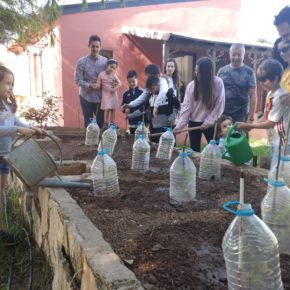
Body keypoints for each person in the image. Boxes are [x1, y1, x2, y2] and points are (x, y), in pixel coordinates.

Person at [0, 65, 44, 244]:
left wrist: (32, 128)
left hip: (5, 155)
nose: (10, 87)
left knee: (1, 193)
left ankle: (1, 229)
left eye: (12, 84)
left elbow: (16, 121)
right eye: (7, 83)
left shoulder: (7, 106)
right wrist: (17, 129)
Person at [236, 59, 290, 168]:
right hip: (274, 140)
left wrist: (249, 125)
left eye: (264, 80)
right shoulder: (270, 93)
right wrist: (251, 126)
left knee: (279, 173)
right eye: (260, 80)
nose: (261, 83)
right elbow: (266, 116)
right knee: (276, 171)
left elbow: (270, 123)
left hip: (284, 143)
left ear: (275, 78)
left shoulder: (280, 96)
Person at [174, 57, 225, 152]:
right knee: (194, 151)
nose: (196, 74)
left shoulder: (218, 83)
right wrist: (179, 126)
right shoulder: (191, 86)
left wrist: (209, 121)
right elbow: (186, 107)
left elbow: (219, 105)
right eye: (195, 71)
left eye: (199, 72)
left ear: (207, 73)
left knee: (216, 149)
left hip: (211, 123)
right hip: (194, 123)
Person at [217, 43, 257, 123]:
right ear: (229, 54)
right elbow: (217, 93)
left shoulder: (249, 72)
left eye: (239, 55)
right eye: (234, 54)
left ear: (243, 55)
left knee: (239, 135)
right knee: (223, 135)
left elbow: (253, 95)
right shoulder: (221, 71)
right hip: (223, 114)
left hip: (241, 115)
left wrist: (251, 117)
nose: (236, 57)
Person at [75, 35, 107, 128]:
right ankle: (89, 143)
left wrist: (100, 85)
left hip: (100, 98)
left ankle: (100, 142)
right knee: (89, 124)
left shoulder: (105, 62)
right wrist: (88, 85)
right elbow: (77, 80)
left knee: (101, 123)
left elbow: (108, 78)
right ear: (89, 46)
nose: (95, 49)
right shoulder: (81, 62)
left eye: (97, 46)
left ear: (100, 47)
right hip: (86, 97)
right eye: (93, 46)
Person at [96, 59, 121, 128]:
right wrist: (96, 86)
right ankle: (106, 122)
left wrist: (115, 87)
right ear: (107, 66)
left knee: (113, 109)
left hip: (113, 94)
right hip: (106, 94)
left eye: (114, 68)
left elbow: (119, 83)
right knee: (107, 108)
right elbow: (98, 83)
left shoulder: (113, 75)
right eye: (111, 67)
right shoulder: (101, 74)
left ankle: (112, 123)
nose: (112, 69)